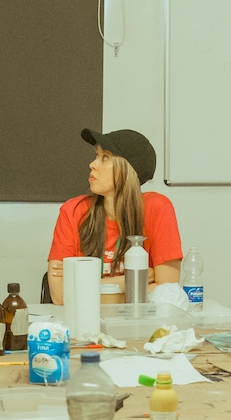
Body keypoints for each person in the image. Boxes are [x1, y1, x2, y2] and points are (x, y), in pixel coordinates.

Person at [47, 130, 182, 304]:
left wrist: (81, 288)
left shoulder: (158, 208)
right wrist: (133, 282)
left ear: (128, 170)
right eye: (96, 156)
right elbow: (59, 296)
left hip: (138, 324)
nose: (92, 164)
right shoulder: (73, 211)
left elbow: (166, 294)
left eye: (105, 157)